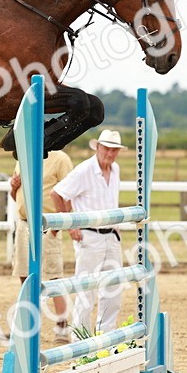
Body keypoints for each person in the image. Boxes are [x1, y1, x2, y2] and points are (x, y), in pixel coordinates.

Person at [51, 129, 126, 337]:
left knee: (113, 289)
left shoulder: (116, 169)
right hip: (89, 235)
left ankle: (106, 335)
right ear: (98, 148)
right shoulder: (84, 170)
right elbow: (57, 193)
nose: (110, 154)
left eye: (114, 150)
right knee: (86, 290)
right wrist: (70, 224)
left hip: (111, 235)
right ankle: (80, 339)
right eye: (107, 149)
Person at [10, 150, 74, 344]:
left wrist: (57, 225)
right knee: (24, 275)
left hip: (47, 225)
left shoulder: (60, 159)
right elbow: (16, 196)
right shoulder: (25, 155)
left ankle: (62, 326)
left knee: (53, 275)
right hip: (24, 222)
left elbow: (69, 195)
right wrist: (13, 188)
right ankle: (27, 325)